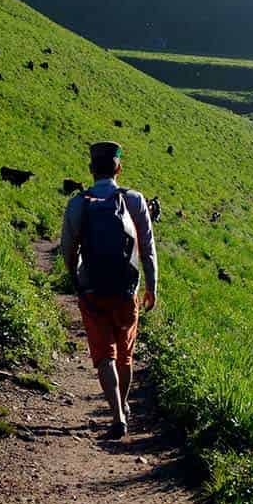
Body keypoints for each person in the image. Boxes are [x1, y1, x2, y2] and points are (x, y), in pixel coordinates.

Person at [59, 140, 157, 439]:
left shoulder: (78, 203)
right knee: (125, 354)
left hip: (92, 290)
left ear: (91, 169)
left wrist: (77, 278)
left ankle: (117, 415)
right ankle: (124, 405)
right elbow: (148, 247)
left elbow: (67, 249)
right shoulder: (135, 200)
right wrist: (151, 286)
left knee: (104, 355)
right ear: (119, 167)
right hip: (127, 290)